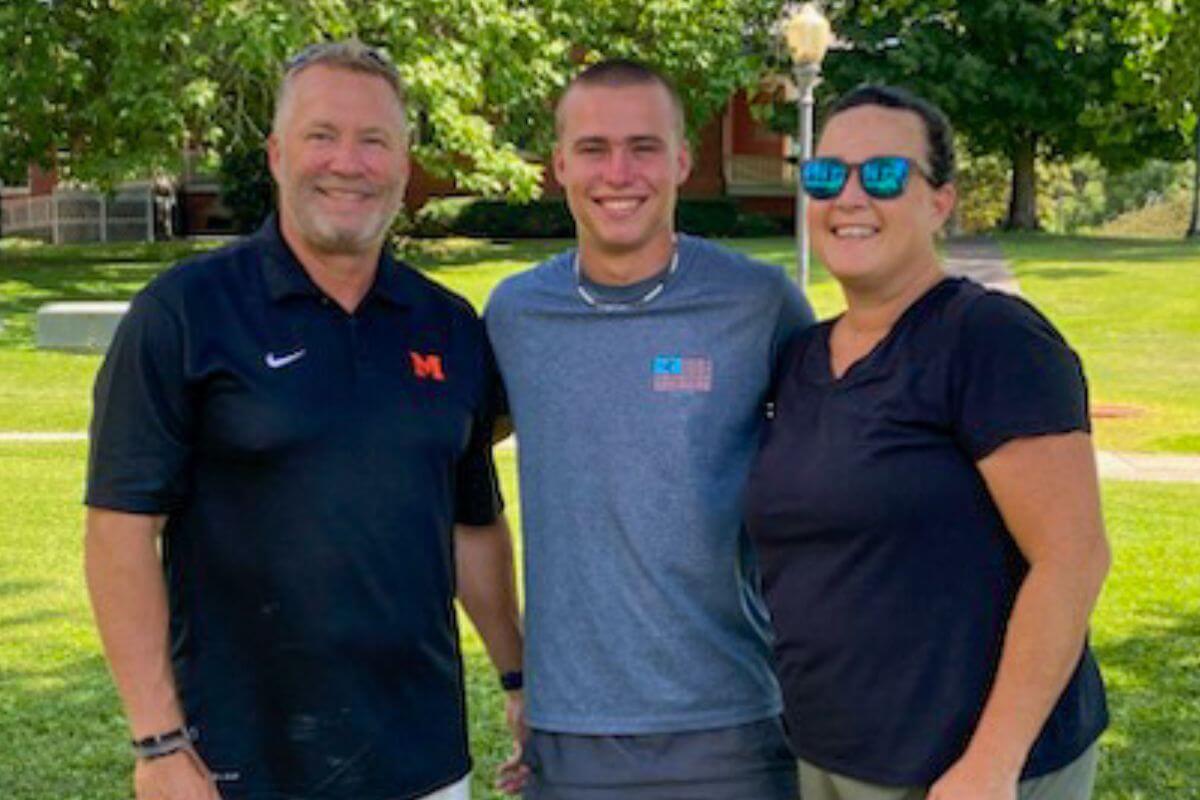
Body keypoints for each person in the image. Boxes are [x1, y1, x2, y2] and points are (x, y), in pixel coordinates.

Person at [84, 40, 523, 800]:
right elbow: (119, 531)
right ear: (278, 153)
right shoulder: (183, 314)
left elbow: (471, 522)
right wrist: (157, 742)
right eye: (322, 136)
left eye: (373, 140)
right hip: (239, 763)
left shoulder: (449, 326)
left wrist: (520, 679)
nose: (347, 162)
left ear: (404, 161)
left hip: (422, 759)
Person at [744, 85, 1110, 800]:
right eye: (826, 176)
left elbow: (1073, 557)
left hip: (964, 774)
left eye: (882, 175)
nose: (849, 196)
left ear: (940, 201)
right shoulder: (801, 358)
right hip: (830, 755)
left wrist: (992, 764)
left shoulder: (993, 340)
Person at [484, 60, 815, 799]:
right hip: (570, 733)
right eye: (594, 149)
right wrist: (515, 675)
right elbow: (455, 476)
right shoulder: (515, 315)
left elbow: (839, 468)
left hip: (732, 722)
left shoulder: (758, 303)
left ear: (682, 160)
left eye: (643, 146)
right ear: (559, 163)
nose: (619, 172)